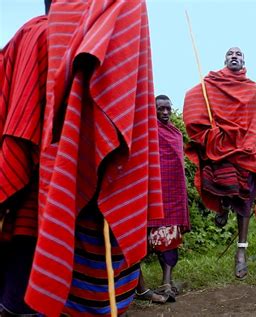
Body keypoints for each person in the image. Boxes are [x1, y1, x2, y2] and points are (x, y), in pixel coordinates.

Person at [14, 1, 163, 316]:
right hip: (61, 162)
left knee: (89, 252)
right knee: (66, 249)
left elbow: (121, 79)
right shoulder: (39, 32)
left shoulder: (125, 6)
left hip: (90, 159)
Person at [183, 47, 256, 279]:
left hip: (245, 144)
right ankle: (222, 206)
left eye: (239, 54)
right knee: (221, 181)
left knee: (244, 197)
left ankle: (241, 252)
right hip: (219, 142)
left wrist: (245, 141)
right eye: (230, 53)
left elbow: (253, 119)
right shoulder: (211, 82)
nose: (234, 56)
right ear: (224, 59)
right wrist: (211, 131)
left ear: (243, 61)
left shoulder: (251, 87)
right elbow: (192, 98)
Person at [0, 2, 49, 315]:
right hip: (34, 155)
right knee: (25, 231)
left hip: (40, 154)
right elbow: (27, 107)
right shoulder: (42, 32)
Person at [136, 95, 190, 304]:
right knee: (139, 241)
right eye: (160, 109)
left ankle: (167, 282)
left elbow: (178, 166)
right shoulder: (146, 131)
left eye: (168, 108)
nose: (165, 113)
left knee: (169, 239)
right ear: (153, 110)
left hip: (172, 195)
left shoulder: (176, 133)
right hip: (149, 194)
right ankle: (138, 287)